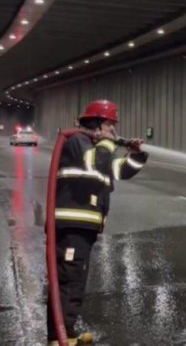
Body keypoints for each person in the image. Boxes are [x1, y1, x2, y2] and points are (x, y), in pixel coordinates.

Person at [47, 100, 148, 345]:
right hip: (72, 224)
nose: (113, 131)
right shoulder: (76, 142)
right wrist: (108, 143)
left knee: (75, 281)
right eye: (109, 125)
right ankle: (59, 338)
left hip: (85, 226)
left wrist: (136, 155)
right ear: (97, 124)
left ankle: (66, 333)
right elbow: (96, 161)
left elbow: (118, 170)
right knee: (68, 282)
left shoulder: (96, 147)